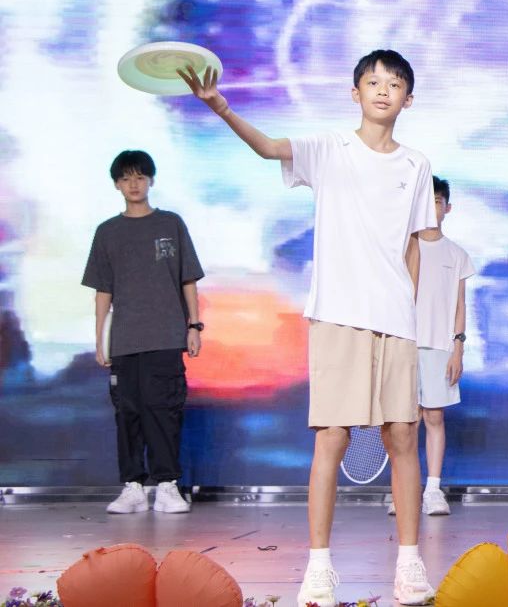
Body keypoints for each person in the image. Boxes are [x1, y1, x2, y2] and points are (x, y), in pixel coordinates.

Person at [179, 51, 437, 607]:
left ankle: (409, 563)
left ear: (409, 99)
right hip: (339, 312)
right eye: (373, 81)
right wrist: (220, 106)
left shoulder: (416, 165)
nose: (383, 90)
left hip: (395, 318)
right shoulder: (328, 149)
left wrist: (409, 309)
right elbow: (269, 147)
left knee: (402, 437)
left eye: (394, 84)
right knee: (331, 438)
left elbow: (415, 245)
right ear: (355, 92)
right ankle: (319, 568)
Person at [82, 149, 204, 515]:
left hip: (165, 336)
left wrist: (194, 326)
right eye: (125, 178)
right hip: (125, 340)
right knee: (128, 413)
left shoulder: (170, 224)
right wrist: (101, 340)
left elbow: (187, 279)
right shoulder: (107, 232)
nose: (133, 184)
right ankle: (133, 487)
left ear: (151, 180)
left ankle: (167, 485)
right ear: (116, 185)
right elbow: (103, 291)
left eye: (139, 177)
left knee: (163, 411)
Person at [401, 175, 474, 517]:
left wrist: (458, 347)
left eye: (437, 201)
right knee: (405, 421)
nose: (431, 208)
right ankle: (403, 490)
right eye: (425, 201)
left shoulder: (456, 254)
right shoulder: (403, 248)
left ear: (448, 208)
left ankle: (432, 489)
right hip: (404, 344)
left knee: (433, 416)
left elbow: (460, 305)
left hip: (439, 347)